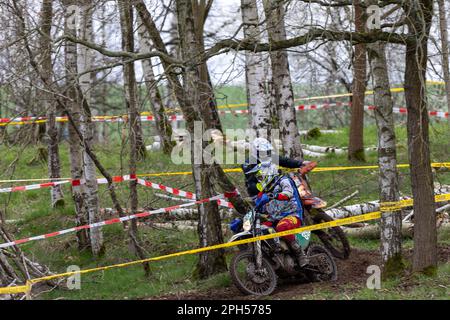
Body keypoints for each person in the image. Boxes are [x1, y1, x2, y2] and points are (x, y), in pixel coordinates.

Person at [249, 161, 309, 267]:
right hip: (275, 219)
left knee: (283, 227)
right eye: (259, 178)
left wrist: (275, 195)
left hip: (292, 214)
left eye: (261, 177)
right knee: (259, 230)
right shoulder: (264, 190)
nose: (260, 180)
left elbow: (288, 193)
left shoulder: (283, 180)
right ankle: (274, 255)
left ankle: (300, 254)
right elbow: (258, 206)